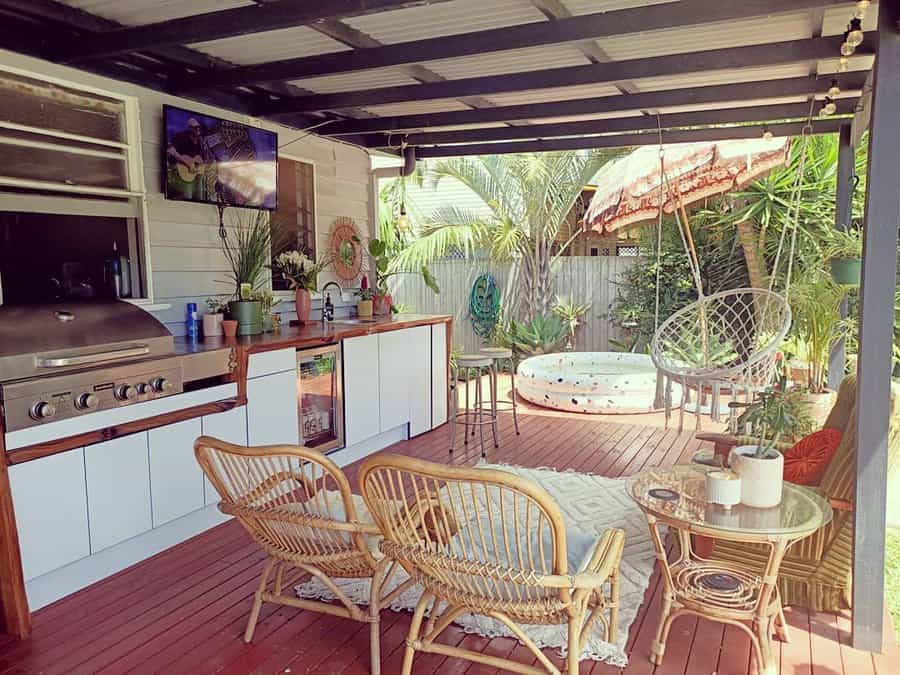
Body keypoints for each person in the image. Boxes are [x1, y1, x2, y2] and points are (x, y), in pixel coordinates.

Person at [166, 117, 210, 200]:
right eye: (195, 127)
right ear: (190, 128)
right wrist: (187, 163)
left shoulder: (200, 141)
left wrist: (202, 161)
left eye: (199, 127)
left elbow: (202, 158)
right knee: (188, 197)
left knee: (199, 198)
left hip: (195, 172)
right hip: (180, 169)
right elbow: (171, 150)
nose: (198, 129)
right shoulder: (180, 137)